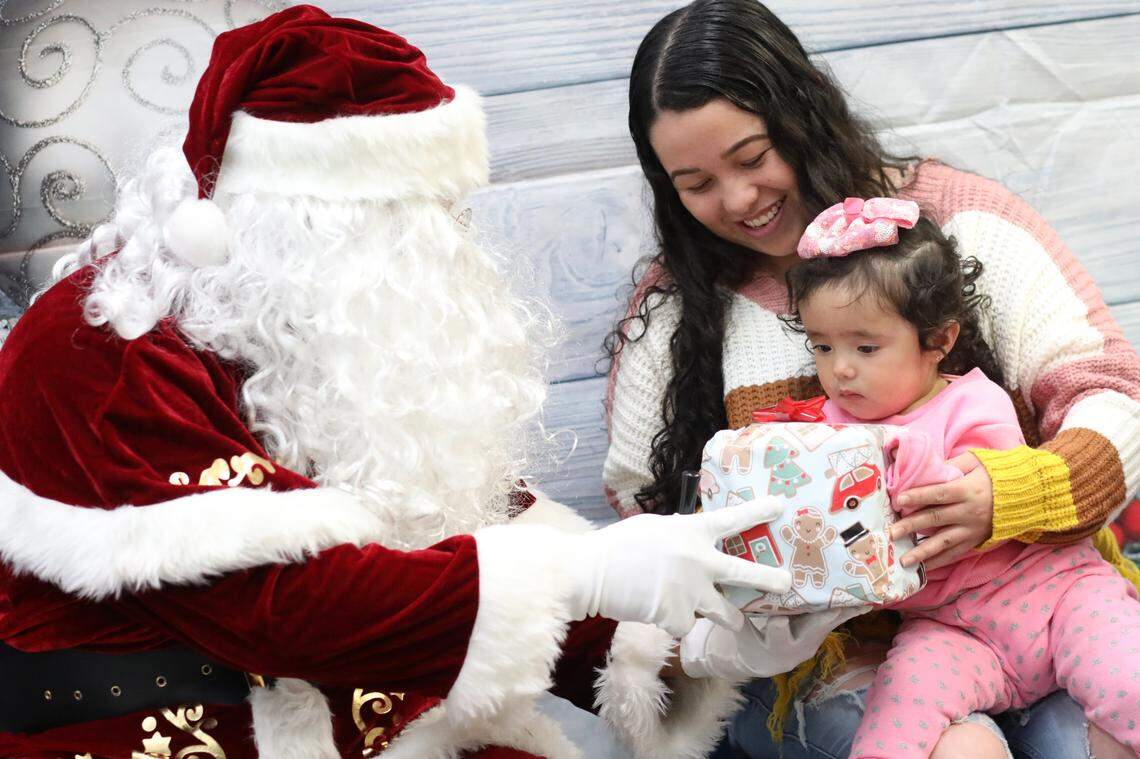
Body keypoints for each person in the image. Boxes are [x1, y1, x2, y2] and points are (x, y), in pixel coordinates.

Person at [0, 6, 800, 758]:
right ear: (310, 219)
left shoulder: (317, 333)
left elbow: (460, 527)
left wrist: (700, 643)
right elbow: (276, 603)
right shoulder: (97, 348)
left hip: (379, 721)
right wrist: (583, 573)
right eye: (417, 219)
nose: (447, 244)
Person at [602, 1, 1140, 757]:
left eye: (753, 158)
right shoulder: (672, 312)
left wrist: (1010, 494)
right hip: (826, 656)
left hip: (1032, 593)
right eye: (695, 182)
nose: (736, 200)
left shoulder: (952, 223)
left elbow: (1110, 391)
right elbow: (643, 510)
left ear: (803, 113)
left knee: (1072, 739)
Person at [786, 196, 1140, 757]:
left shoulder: (976, 402)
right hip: (951, 628)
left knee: (1128, 681)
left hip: (1056, 595)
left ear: (939, 341)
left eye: (866, 347)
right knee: (895, 712)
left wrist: (874, 459)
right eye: (822, 347)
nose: (840, 368)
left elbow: (949, 494)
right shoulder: (824, 430)